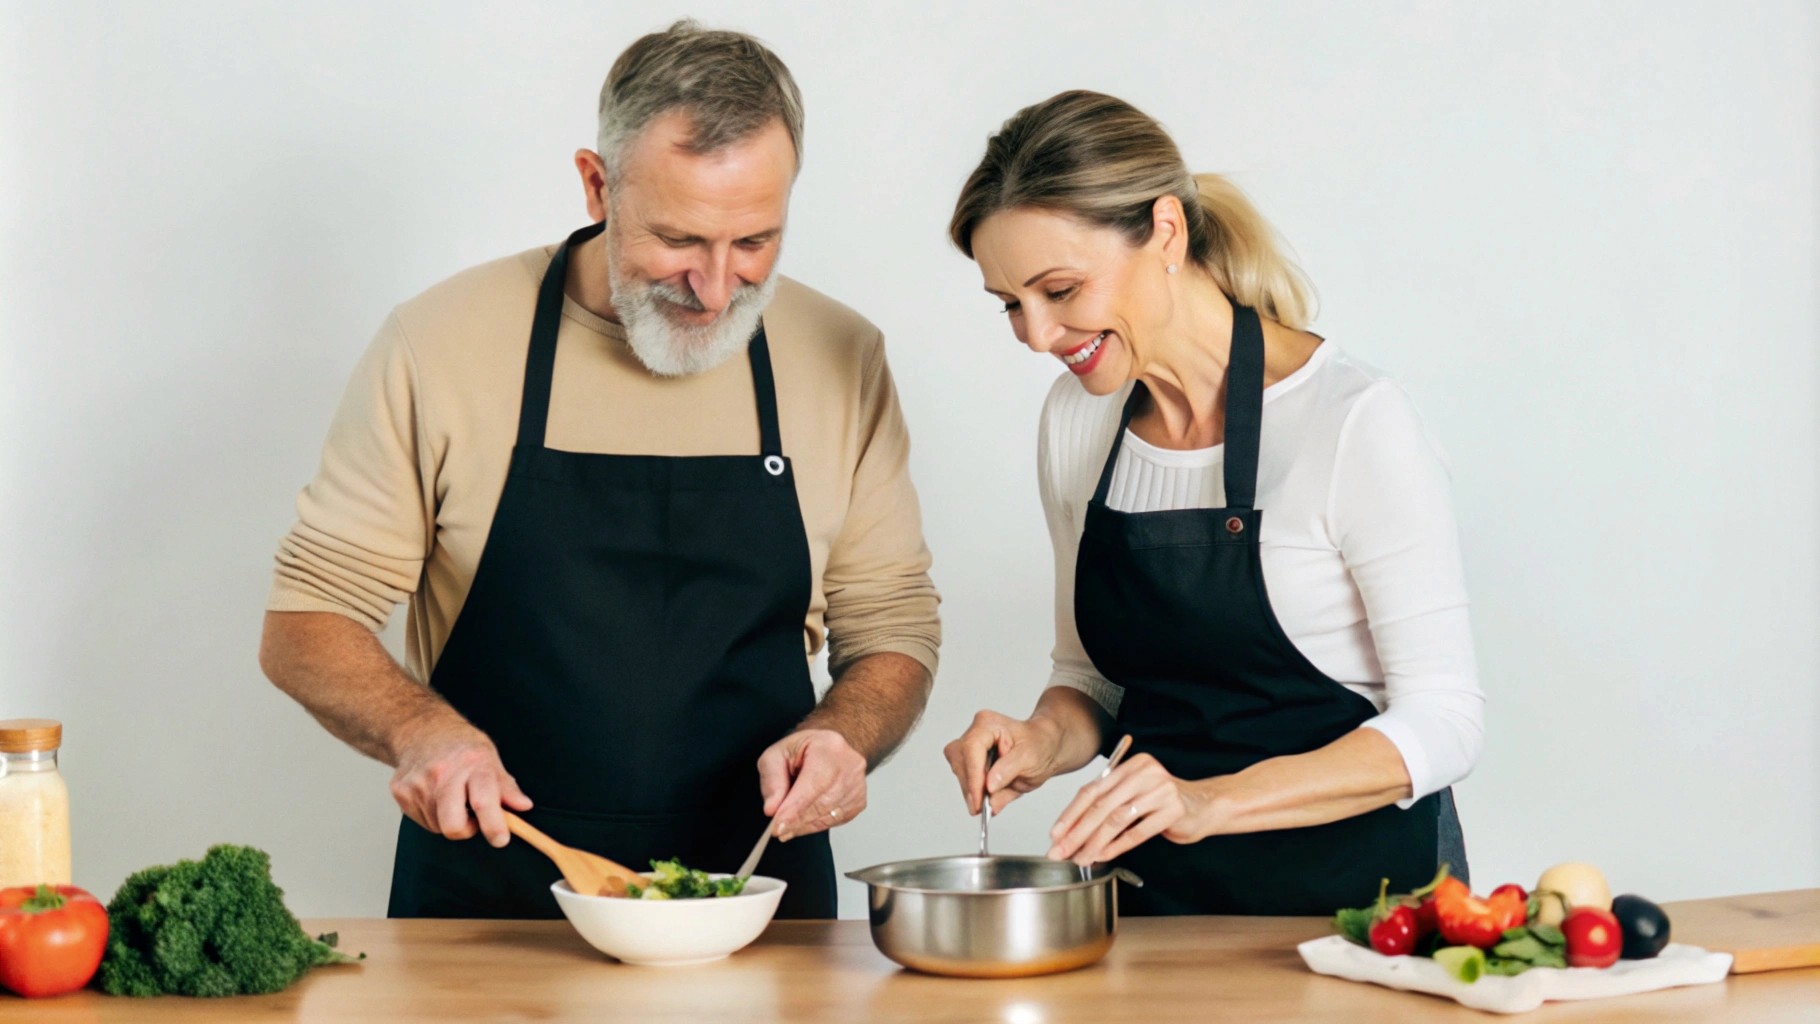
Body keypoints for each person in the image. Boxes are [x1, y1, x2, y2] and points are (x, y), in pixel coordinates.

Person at [258, 20, 940, 920]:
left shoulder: (841, 355)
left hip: (754, 906)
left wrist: (844, 734)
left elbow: (892, 623)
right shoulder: (443, 342)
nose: (715, 287)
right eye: (679, 239)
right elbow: (308, 618)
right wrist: (419, 731)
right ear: (596, 184)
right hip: (489, 909)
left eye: (755, 243)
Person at [941, 90, 1483, 915]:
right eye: (1012, 304)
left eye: (1060, 289)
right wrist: (1042, 740)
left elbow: (1446, 721)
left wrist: (1210, 802)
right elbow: (1093, 676)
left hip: (1363, 914)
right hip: (1159, 911)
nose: (1039, 336)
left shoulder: (1351, 422)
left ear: (1165, 230)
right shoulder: (1078, 420)